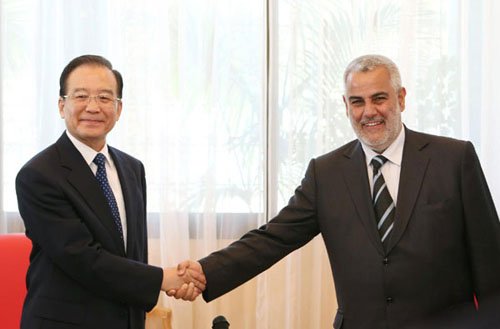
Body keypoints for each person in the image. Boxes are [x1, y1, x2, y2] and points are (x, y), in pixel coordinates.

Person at [173, 55, 500, 328]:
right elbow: (272, 238)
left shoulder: (453, 159)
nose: (368, 111)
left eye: (379, 98)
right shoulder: (326, 172)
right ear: (345, 106)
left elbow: (490, 263)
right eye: (357, 102)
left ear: (400, 98)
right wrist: (206, 271)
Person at [15, 55, 205, 329]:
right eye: (81, 96)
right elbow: (81, 257)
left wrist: (166, 281)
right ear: (61, 105)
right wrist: (164, 279)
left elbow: (132, 253)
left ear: (118, 109)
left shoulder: (132, 169)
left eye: (105, 98)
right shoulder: (39, 175)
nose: (93, 107)